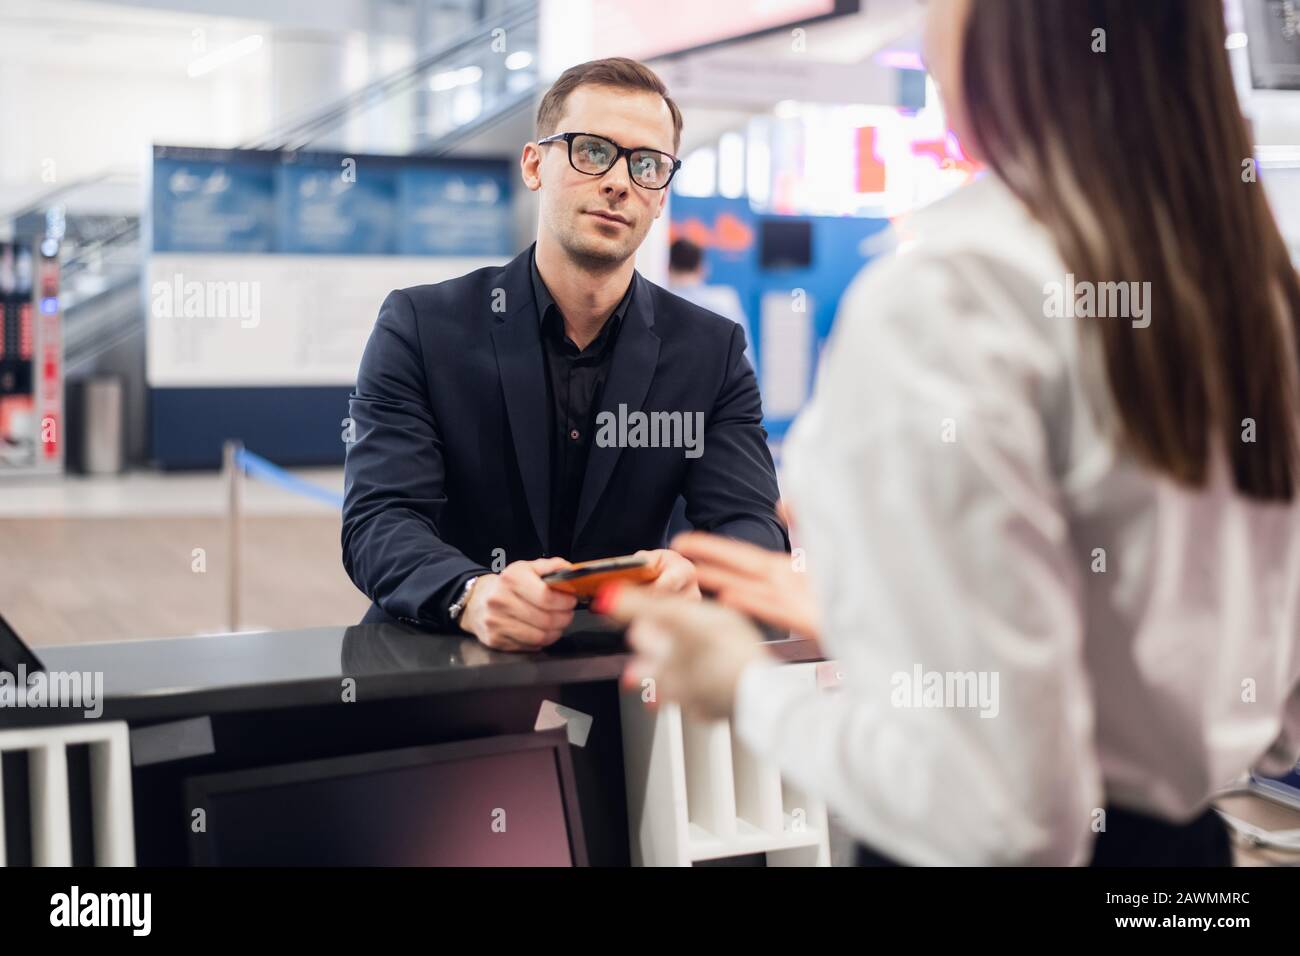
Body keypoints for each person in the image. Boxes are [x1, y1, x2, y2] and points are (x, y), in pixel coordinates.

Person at [598, 0, 1300, 866]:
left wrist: (743, 687)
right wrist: (886, 623)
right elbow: (1244, 692)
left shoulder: (956, 295)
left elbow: (999, 815)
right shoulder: (1258, 292)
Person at [342, 57, 787, 653]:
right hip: (452, 661)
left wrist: (698, 582)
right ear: (534, 165)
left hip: (627, 674)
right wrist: (470, 593)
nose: (619, 182)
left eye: (646, 164)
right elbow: (379, 520)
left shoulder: (711, 352)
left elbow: (753, 526)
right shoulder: (423, 328)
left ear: (660, 198)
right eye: (592, 151)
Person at [667, 238, 755, 369]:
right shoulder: (724, 302)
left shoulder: (656, 304)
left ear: (669, 267)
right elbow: (745, 359)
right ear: (702, 268)